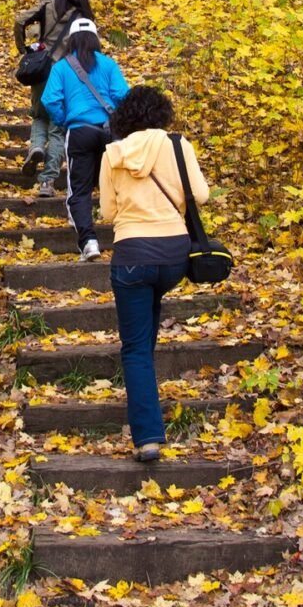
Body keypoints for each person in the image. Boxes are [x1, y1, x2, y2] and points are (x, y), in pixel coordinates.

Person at [99, 86, 209, 463]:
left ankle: (147, 437)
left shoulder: (112, 154)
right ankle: (145, 396)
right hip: (173, 255)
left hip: (132, 254)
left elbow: (108, 213)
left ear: (124, 118)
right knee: (145, 332)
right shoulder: (178, 145)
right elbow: (201, 195)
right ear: (162, 113)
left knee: (134, 348)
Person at [41, 20, 129, 261]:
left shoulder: (61, 67)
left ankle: (89, 242)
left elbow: (50, 100)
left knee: (79, 190)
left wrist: (63, 119)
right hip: (110, 133)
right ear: (95, 38)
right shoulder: (108, 64)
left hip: (80, 131)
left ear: (71, 40)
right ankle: (127, 238)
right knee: (118, 185)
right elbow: (122, 95)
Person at [13, 0, 93, 197]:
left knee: (40, 116)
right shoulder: (83, 16)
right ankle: (47, 182)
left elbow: (20, 20)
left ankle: (37, 147)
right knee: (58, 128)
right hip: (67, 73)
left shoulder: (46, 8)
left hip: (42, 69)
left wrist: (23, 48)